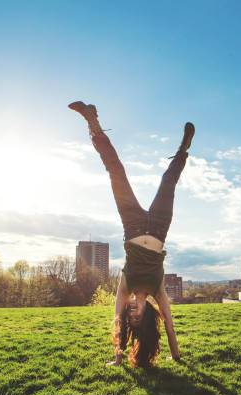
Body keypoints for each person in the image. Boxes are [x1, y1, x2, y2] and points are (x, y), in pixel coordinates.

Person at [69, 101, 194, 367]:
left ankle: (92, 122)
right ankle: (183, 149)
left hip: (132, 225)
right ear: (147, 315)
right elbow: (170, 327)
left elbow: (117, 322)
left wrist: (118, 357)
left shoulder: (124, 289)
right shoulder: (158, 292)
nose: (133, 313)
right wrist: (176, 356)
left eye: (131, 317)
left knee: (116, 172)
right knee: (168, 181)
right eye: (139, 317)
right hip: (159, 228)